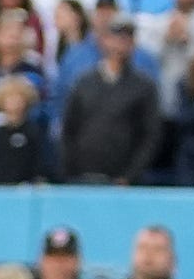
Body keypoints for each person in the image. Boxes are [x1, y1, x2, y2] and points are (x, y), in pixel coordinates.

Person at [60, 14, 164, 182]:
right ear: (103, 41)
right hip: (83, 174)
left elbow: (150, 135)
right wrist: (70, 170)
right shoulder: (84, 82)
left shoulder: (144, 86)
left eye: (126, 40)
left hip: (122, 177)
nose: (119, 45)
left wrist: (130, 175)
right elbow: (69, 128)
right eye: (115, 38)